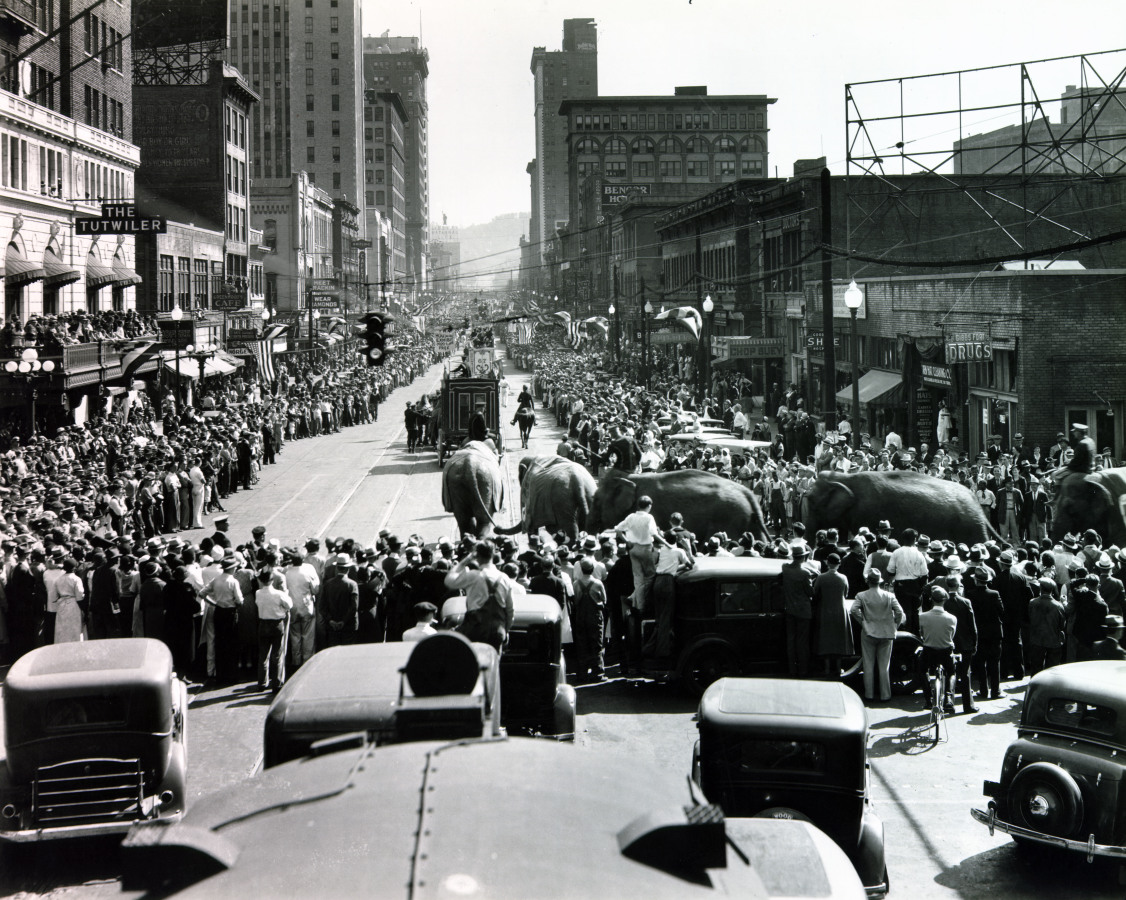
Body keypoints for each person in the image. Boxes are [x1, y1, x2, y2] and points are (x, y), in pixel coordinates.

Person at [444, 540, 515, 653]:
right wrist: (505, 630)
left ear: (477, 555)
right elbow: (510, 610)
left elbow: (449, 581)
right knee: (494, 661)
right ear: (493, 554)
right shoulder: (505, 578)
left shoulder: (474, 576)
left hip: (475, 628)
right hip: (497, 630)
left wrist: (464, 561)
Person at [850, 569, 905, 703]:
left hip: (868, 632)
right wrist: (894, 626)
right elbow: (899, 612)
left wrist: (863, 622)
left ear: (868, 581)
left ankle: (869, 694)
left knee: (868, 664)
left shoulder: (861, 595)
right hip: (886, 632)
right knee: (884, 665)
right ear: (879, 582)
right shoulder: (889, 595)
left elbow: (853, 610)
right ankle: (885, 695)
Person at [646, 531, 692, 664]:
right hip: (668, 582)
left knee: (659, 617)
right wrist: (687, 549)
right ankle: (662, 652)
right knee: (666, 617)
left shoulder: (662, 551)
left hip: (657, 581)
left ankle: (650, 648)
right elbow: (690, 564)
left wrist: (673, 567)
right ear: (676, 539)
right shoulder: (679, 551)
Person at [614, 495, 660, 618]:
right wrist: (666, 543)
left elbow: (618, 529)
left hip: (633, 549)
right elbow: (654, 533)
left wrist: (627, 541)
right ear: (649, 506)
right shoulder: (649, 517)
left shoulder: (631, 517)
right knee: (650, 576)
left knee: (638, 577)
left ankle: (639, 604)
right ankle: (637, 599)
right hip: (646, 548)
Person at [966, 566, 1004, 701]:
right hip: (994, 633)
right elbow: (1001, 611)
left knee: (980, 662)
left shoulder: (970, 594)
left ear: (976, 580)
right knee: (994, 662)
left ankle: (983, 690)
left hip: (979, 633)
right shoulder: (994, 594)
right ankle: (995, 691)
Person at [812, 553, 854, 675]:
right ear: (838, 564)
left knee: (825, 638)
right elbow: (845, 594)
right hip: (840, 610)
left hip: (825, 609)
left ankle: (826, 668)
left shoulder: (821, 577)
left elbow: (815, 593)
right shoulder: (843, 578)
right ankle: (838, 667)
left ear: (827, 563)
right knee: (839, 638)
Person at [919, 586, 958, 715]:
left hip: (929, 651)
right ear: (944, 600)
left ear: (931, 599)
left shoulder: (922, 617)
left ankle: (928, 699)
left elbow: (922, 634)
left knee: (922, 670)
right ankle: (949, 698)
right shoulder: (952, 618)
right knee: (951, 672)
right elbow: (952, 635)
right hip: (945, 651)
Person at [782, 545, 819, 677]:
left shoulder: (785, 568)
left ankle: (792, 669)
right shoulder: (805, 573)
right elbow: (811, 592)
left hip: (790, 609)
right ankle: (803, 670)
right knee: (802, 642)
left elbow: (788, 564)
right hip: (803, 611)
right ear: (803, 557)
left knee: (791, 641)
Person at [255, 567, 292, 692]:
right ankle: (276, 683)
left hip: (263, 623)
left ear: (261, 580)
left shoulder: (258, 593)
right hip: (277, 624)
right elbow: (289, 605)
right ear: (272, 580)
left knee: (263, 654)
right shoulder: (279, 594)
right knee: (277, 654)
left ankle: (262, 682)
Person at [572, 557, 609, 681]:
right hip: (595, 616)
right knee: (597, 644)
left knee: (582, 644)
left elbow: (574, 601)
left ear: (581, 569)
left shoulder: (576, 584)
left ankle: (582, 673)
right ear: (592, 569)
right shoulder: (598, 583)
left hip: (580, 616)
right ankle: (598, 673)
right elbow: (604, 600)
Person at [886, 528, 929, 635]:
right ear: (914, 539)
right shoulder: (919, 554)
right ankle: (915, 634)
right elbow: (924, 574)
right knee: (915, 612)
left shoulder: (896, 553)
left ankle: (903, 633)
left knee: (903, 611)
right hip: (915, 584)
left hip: (901, 585)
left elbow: (890, 570)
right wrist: (920, 587)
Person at [1027, 577, 1066, 673]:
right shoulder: (1058, 606)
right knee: (1051, 669)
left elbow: (1029, 618)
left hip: (1037, 639)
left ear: (1041, 588)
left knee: (1036, 667)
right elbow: (1062, 625)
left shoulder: (1033, 602)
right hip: (1053, 640)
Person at [321, 553, 359, 647]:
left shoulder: (327, 584)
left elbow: (322, 607)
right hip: (348, 626)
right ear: (348, 569)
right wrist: (344, 621)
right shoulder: (352, 584)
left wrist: (330, 620)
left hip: (332, 627)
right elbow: (354, 607)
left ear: (337, 568)